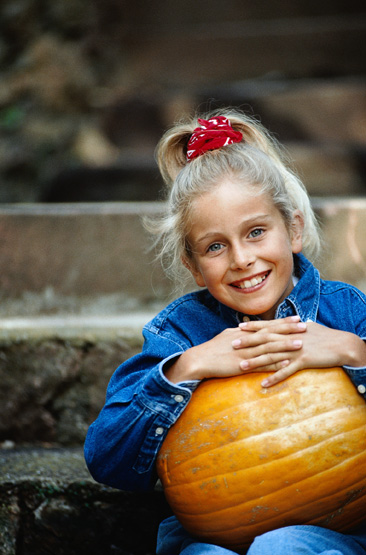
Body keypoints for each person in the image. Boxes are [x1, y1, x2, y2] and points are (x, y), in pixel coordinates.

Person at [84, 110, 366, 554]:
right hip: (211, 538)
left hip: (333, 530)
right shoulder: (180, 333)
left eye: (256, 232)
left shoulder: (345, 312)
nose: (241, 259)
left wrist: (353, 353)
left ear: (292, 229)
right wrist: (186, 367)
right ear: (193, 266)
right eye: (215, 246)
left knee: (283, 548)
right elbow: (107, 459)